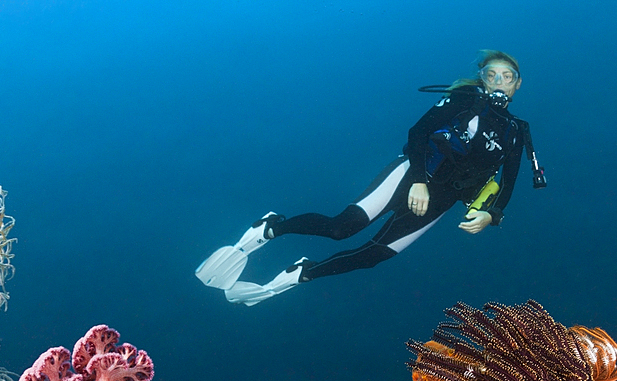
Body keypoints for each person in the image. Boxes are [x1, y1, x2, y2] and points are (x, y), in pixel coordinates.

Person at [196, 50, 545, 306]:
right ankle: (272, 227)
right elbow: (418, 132)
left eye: (507, 76)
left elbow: (509, 181)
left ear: (518, 84)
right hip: (411, 176)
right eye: (491, 74)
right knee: (341, 228)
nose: (498, 82)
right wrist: (420, 179)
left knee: (374, 255)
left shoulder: (516, 132)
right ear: (482, 77)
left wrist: (491, 215)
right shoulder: (466, 99)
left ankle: (301, 273)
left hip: (440, 201)